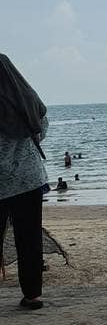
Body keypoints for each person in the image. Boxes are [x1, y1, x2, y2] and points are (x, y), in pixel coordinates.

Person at [0, 53, 49, 309]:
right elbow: (42, 129)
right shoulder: (27, 98)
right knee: (29, 239)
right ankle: (33, 295)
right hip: (30, 180)